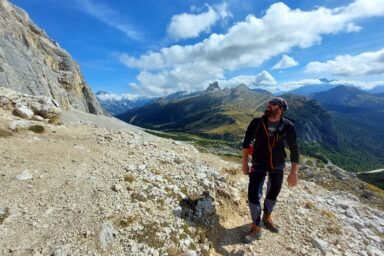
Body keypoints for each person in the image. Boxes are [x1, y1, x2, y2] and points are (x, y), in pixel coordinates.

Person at [242, 97, 299, 242]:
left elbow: (294, 149)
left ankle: (267, 216)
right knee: (253, 195)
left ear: (281, 109)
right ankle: (256, 225)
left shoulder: (288, 126)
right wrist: (244, 163)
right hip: (258, 163)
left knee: (273, 193)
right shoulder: (257, 122)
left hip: (278, 164)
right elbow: (246, 142)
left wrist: (294, 172)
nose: (268, 106)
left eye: (273, 104)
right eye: (268, 103)